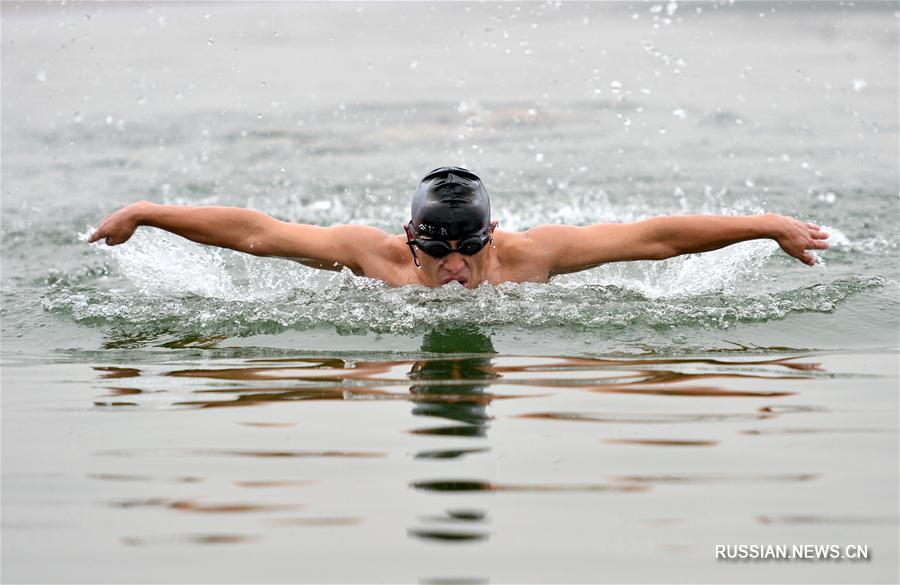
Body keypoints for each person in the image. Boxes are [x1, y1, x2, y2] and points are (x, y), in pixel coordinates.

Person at [88, 166, 829, 289]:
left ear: (491, 234)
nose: (452, 267)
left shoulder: (531, 256)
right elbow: (257, 232)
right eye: (435, 250)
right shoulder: (369, 256)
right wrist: (146, 212)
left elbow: (655, 237)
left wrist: (766, 224)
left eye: (467, 249)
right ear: (407, 237)